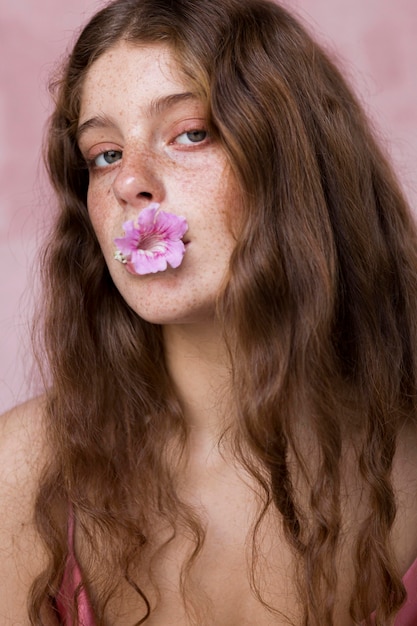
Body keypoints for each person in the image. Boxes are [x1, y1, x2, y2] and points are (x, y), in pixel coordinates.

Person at [1, 0, 417, 624]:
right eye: (104, 154)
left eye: (190, 132)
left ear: (296, 163)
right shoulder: (23, 469)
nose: (129, 183)